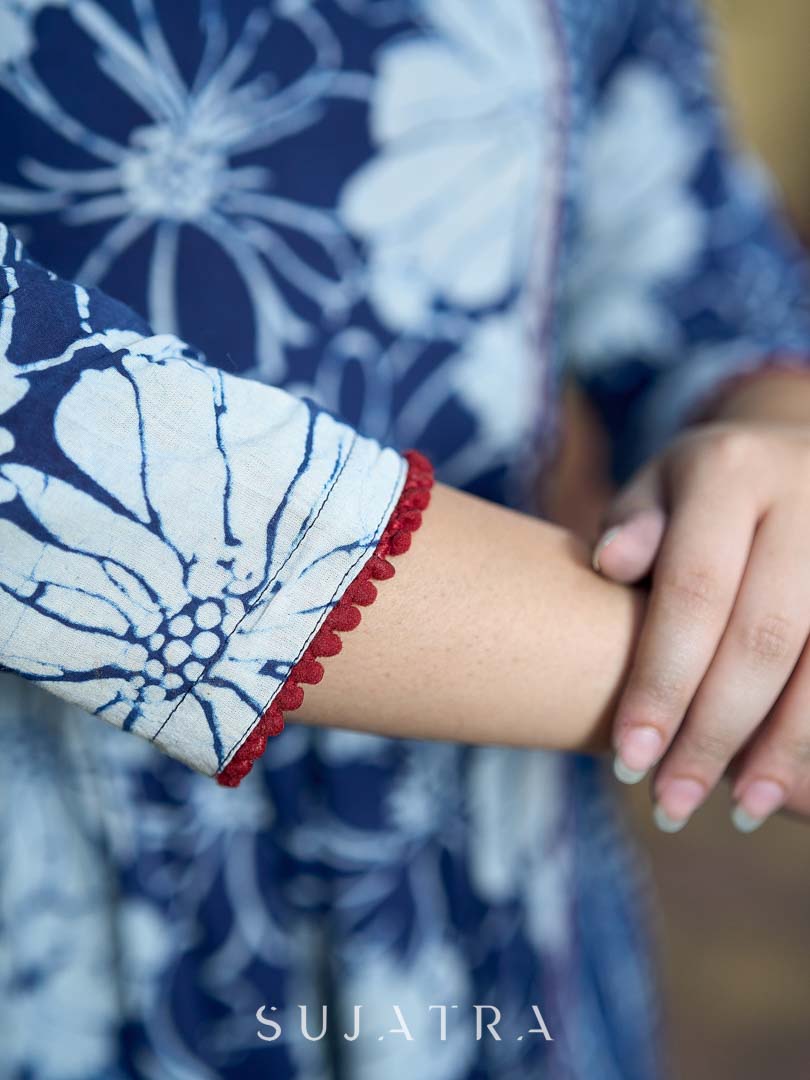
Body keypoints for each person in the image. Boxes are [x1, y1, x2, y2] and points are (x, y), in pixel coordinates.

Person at [2, 1, 810, 1077]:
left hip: (496, 899)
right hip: (57, 905)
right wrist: (708, 670)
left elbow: (700, 268)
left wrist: (773, 449)